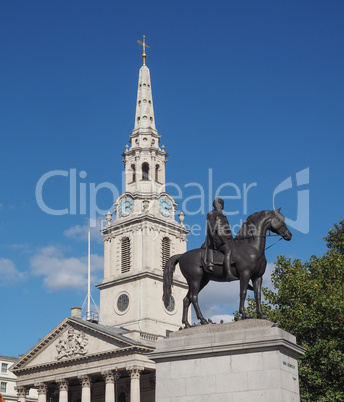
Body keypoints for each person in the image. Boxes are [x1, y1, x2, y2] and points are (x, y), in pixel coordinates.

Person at [202, 198, 236, 280]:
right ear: (214, 205)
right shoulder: (211, 214)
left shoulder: (223, 216)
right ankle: (228, 273)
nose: (220, 205)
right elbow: (212, 230)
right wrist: (223, 240)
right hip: (217, 241)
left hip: (227, 239)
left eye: (221, 204)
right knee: (228, 249)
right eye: (218, 203)